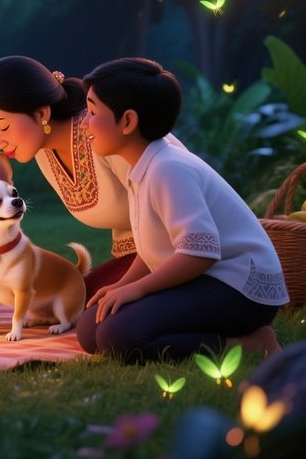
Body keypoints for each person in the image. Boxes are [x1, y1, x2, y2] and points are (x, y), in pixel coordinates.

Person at [77, 57, 288, 363]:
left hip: (239, 288)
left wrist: (138, 290)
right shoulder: (143, 166)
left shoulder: (168, 168)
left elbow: (201, 253)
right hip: (205, 278)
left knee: (118, 336)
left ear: (128, 122)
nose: (84, 123)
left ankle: (251, 343)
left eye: (93, 112)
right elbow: (154, 248)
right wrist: (123, 285)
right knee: (90, 327)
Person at [0, 56, 142, 299]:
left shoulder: (99, 130)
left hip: (174, 249)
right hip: (131, 256)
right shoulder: (44, 153)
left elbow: (166, 205)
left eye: (3, 127)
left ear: (41, 114)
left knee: (97, 317)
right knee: (72, 300)